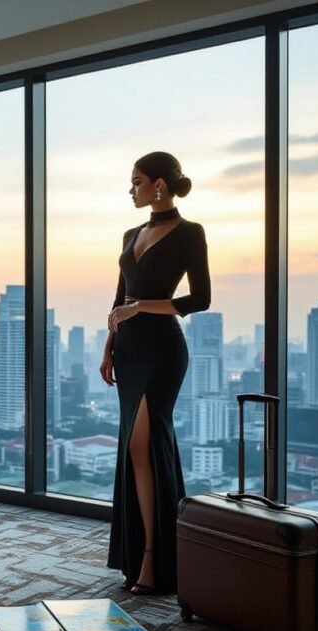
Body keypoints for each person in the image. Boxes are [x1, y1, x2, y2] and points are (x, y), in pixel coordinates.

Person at [99, 151, 211, 595]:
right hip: (127, 351)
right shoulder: (131, 233)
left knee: (144, 443)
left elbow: (200, 298)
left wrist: (140, 307)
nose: (132, 189)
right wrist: (108, 347)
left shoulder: (190, 233)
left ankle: (154, 559)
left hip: (162, 349)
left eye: (137, 181)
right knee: (136, 450)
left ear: (159, 185)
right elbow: (118, 297)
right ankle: (144, 553)